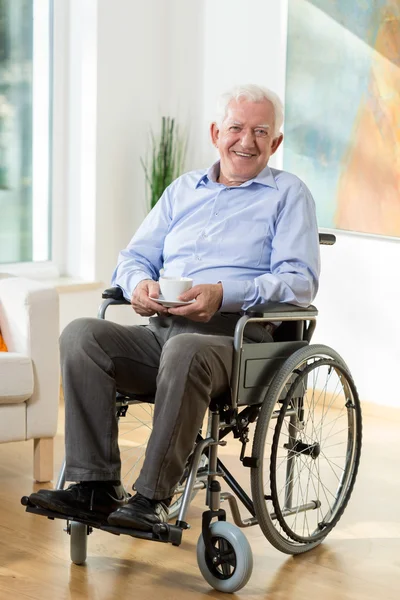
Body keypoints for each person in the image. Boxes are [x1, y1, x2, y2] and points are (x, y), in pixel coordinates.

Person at [29, 84, 320, 532]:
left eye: (261, 131)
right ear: (215, 133)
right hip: (162, 331)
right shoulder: (182, 189)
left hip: (238, 342)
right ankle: (96, 487)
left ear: (276, 142)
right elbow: (133, 257)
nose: (246, 140)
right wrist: (139, 284)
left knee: (187, 350)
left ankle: (152, 497)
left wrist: (223, 293)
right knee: (81, 335)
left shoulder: (288, 195)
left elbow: (300, 283)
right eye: (236, 128)